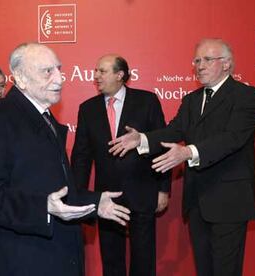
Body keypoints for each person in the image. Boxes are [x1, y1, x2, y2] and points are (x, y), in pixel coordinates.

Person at [0, 42, 131, 276]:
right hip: (23, 259)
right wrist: (43, 207)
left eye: (59, 69)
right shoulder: (0, 117)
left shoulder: (43, 117)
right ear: (21, 79)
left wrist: (95, 202)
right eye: (48, 71)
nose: (60, 78)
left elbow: (56, 190)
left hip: (54, 255)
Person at [109, 38, 255, 276]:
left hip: (229, 201)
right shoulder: (192, 100)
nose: (200, 65)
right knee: (204, 269)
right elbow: (174, 130)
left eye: (207, 59)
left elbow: (233, 138)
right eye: (197, 60)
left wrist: (188, 152)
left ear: (227, 64)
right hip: (197, 200)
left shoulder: (246, 95)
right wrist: (143, 139)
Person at [71, 54, 171, 276]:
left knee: (144, 260)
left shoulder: (147, 101)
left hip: (143, 191)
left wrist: (163, 189)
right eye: (96, 71)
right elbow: (81, 157)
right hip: (107, 197)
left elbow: (162, 146)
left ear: (120, 75)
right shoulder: (87, 108)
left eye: (102, 71)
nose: (96, 76)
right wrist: (77, 194)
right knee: (111, 260)